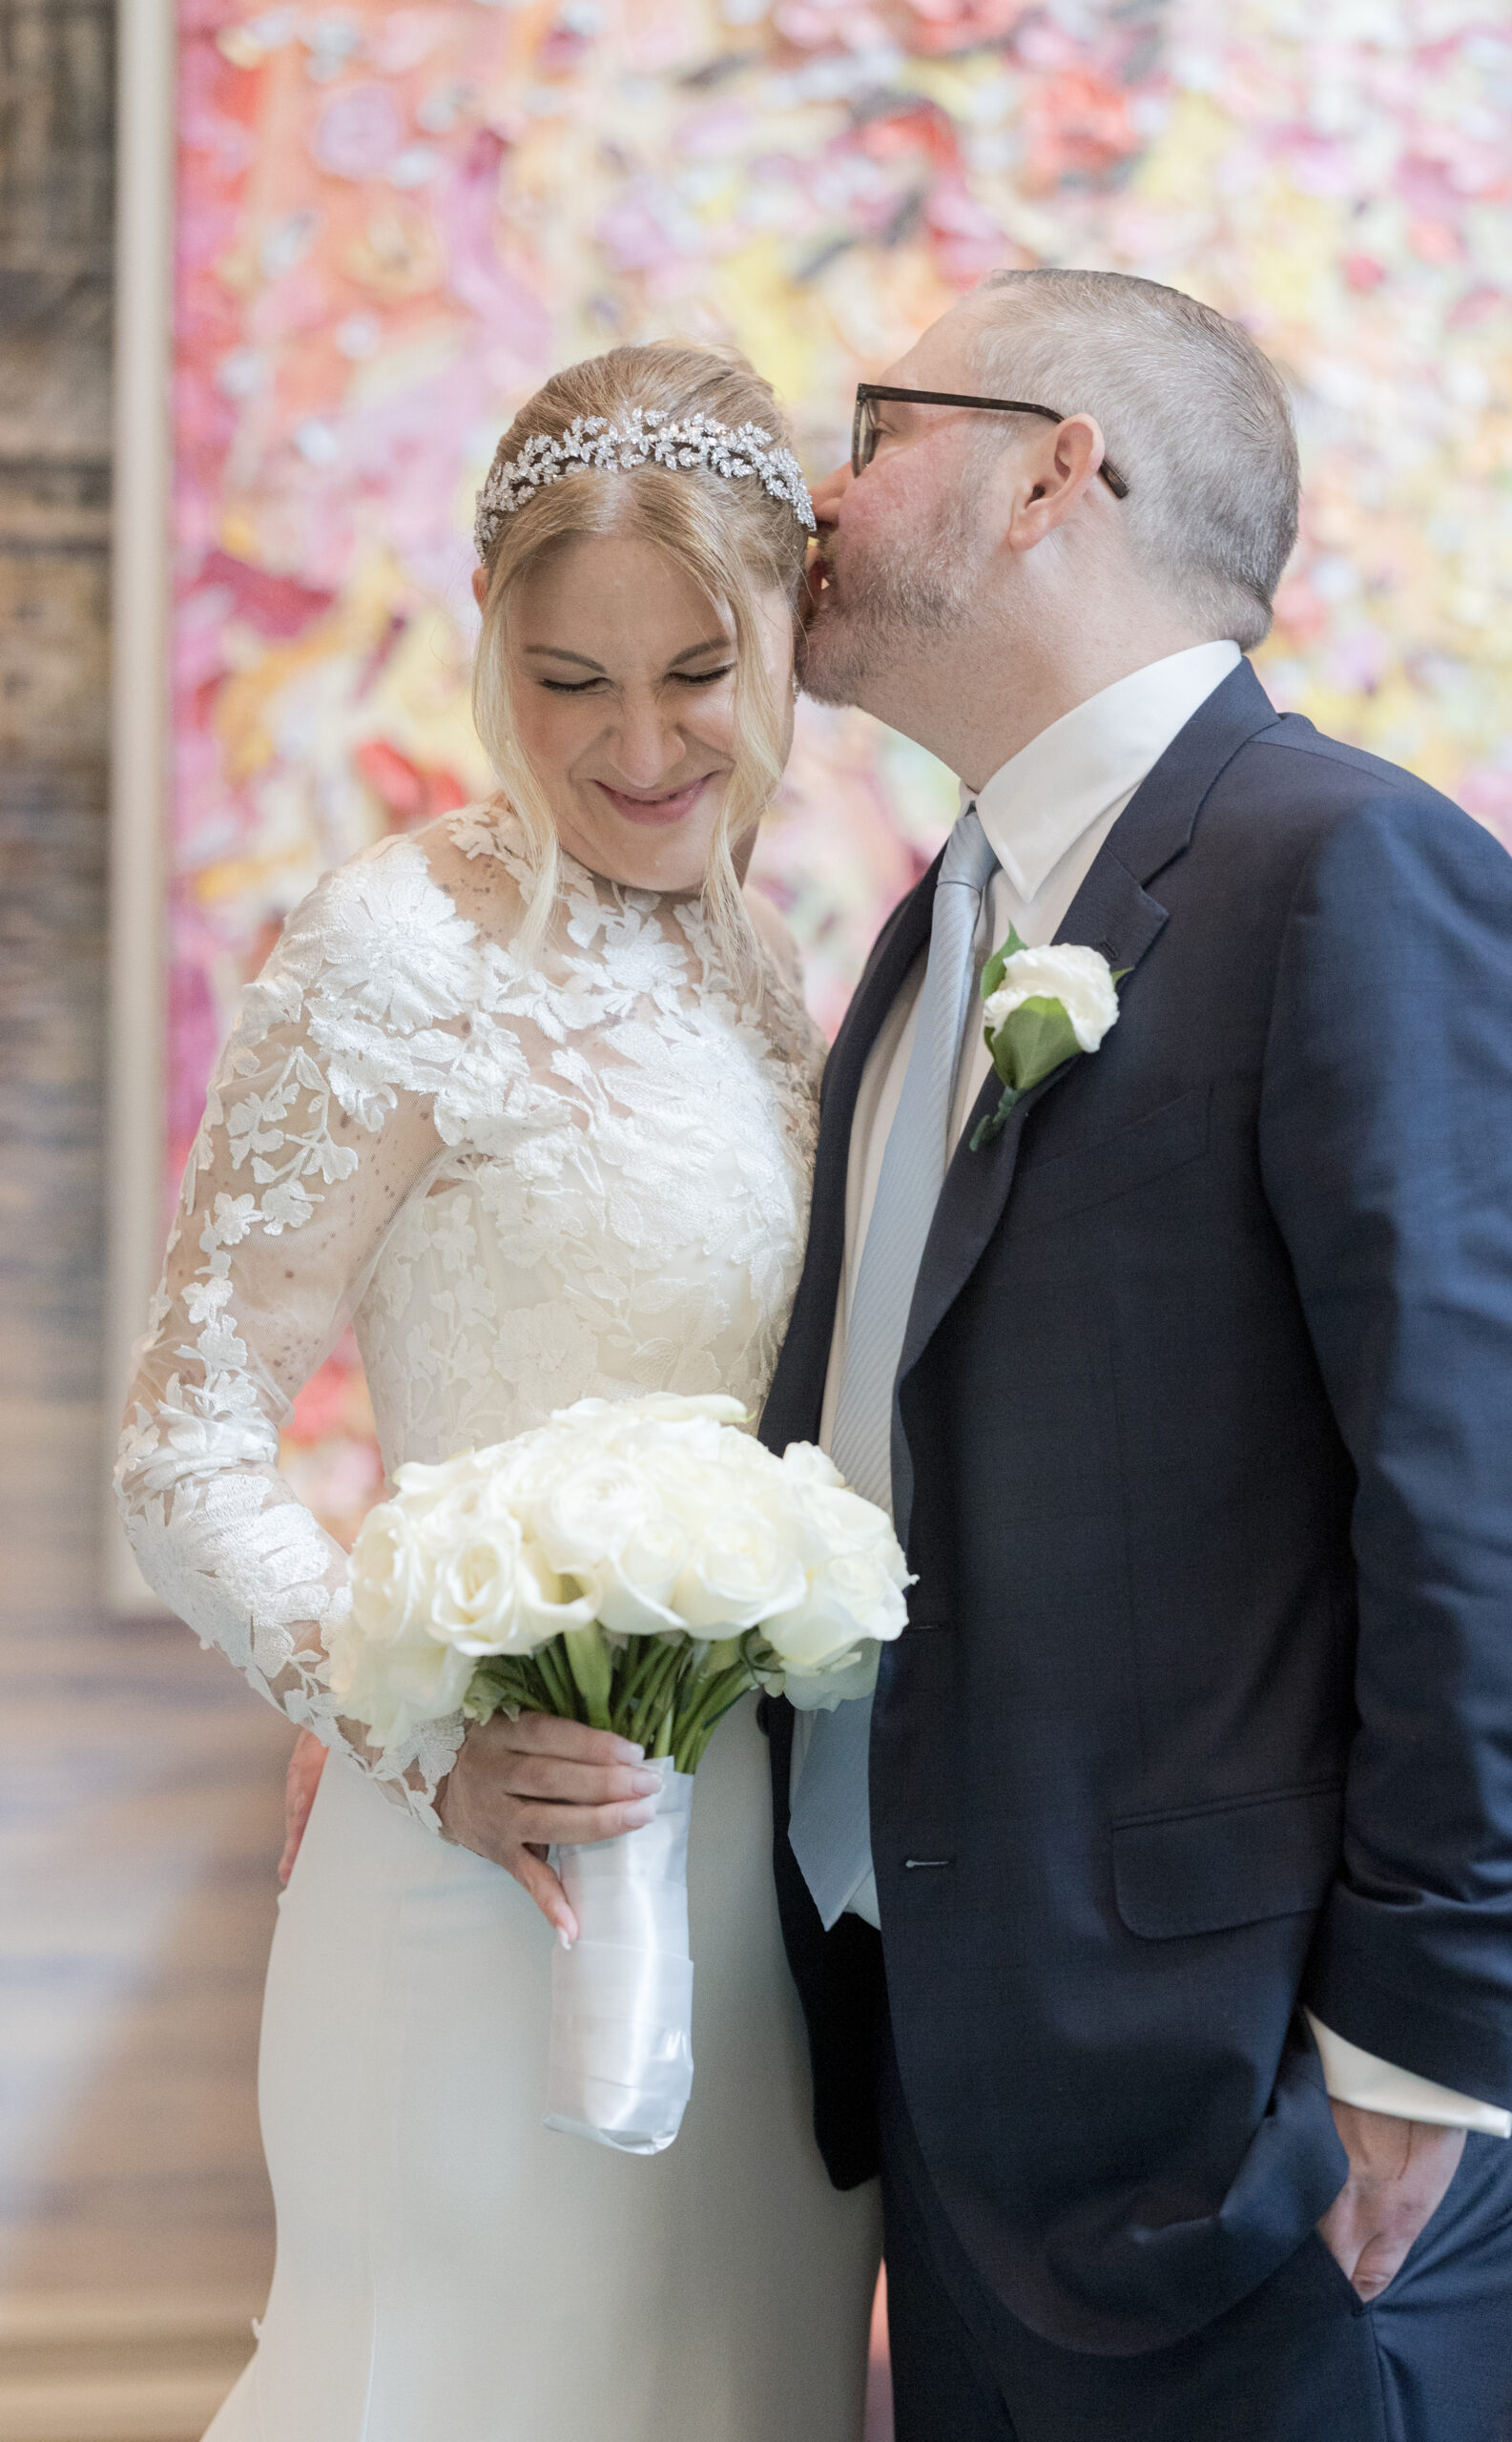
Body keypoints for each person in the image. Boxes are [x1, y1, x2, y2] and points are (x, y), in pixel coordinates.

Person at [758, 267, 1512, 2440]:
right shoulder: (929, 929)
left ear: (1059, 469)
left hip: (1274, 2132)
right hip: (970, 2103)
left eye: (875, 425)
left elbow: (1498, 1503)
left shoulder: (1346, 870)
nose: (820, 490)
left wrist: (1411, 2056)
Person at [115, 342, 880, 2441]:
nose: (635, 745)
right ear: (489, 661)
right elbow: (179, 1443)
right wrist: (414, 1729)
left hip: (760, 1907)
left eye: (695, 674)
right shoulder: (394, 949)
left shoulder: (762, 961)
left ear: (783, 644)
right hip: (477, 1873)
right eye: (567, 682)